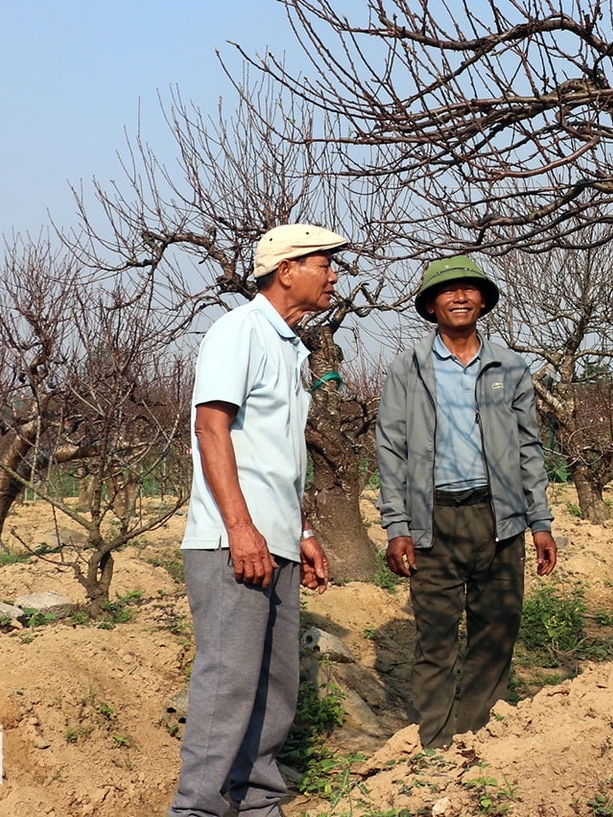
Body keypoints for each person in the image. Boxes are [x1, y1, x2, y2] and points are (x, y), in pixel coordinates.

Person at [168, 223, 346, 817]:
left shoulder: (292, 348)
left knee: (275, 685)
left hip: (277, 542)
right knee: (229, 684)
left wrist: (302, 531)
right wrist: (242, 530)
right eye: (325, 264)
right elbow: (210, 428)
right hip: (231, 542)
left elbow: (277, 456)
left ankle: (257, 804)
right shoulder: (238, 331)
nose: (334, 276)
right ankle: (197, 808)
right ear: (287, 269)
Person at [377, 254, 558, 749]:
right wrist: (396, 526)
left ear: (483, 301)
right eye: (448, 290)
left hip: (499, 520)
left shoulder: (509, 367)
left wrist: (539, 521)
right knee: (435, 639)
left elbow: (528, 447)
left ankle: (478, 739)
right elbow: (391, 448)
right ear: (431, 304)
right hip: (432, 520)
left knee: (496, 634)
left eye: (469, 289)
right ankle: (435, 745)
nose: (460, 297)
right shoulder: (409, 368)